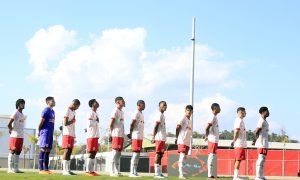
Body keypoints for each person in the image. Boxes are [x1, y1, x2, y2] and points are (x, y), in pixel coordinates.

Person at [61, 99, 80, 175]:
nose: (77, 108)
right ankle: (64, 170)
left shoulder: (74, 112)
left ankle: (68, 170)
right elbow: (65, 123)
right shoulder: (67, 110)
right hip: (66, 133)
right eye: (77, 106)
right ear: (74, 104)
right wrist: (72, 121)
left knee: (70, 151)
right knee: (66, 151)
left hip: (71, 133)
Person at [37, 96, 56, 174]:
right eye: (53, 100)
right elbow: (41, 122)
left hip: (50, 132)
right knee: (43, 149)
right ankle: (41, 169)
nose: (54, 102)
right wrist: (39, 131)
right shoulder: (46, 110)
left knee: (48, 150)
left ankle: (46, 169)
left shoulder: (53, 111)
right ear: (48, 102)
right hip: (45, 132)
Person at [7, 99, 26, 173]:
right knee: (13, 150)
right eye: (22, 103)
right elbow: (9, 124)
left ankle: (16, 168)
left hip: (21, 136)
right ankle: (9, 169)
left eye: (24, 103)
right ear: (18, 104)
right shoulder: (15, 112)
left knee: (18, 152)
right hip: (14, 136)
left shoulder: (22, 114)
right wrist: (11, 130)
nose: (23, 105)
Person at [175, 105, 193, 179]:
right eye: (188, 110)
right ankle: (180, 174)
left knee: (185, 157)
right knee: (182, 157)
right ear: (185, 110)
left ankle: (183, 173)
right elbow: (177, 127)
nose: (189, 111)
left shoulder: (190, 120)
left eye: (190, 110)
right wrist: (176, 137)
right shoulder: (183, 118)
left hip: (187, 141)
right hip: (182, 140)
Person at [109, 96, 125, 177]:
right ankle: (111, 171)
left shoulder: (122, 111)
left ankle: (116, 171)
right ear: (118, 102)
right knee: (114, 152)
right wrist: (110, 134)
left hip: (121, 135)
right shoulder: (115, 110)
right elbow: (111, 123)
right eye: (122, 101)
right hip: (115, 134)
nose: (124, 102)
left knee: (119, 154)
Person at [129, 100, 145, 177]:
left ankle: (135, 171)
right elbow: (132, 123)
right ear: (139, 105)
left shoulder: (141, 113)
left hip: (140, 136)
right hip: (135, 136)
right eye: (143, 104)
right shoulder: (136, 112)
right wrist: (131, 132)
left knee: (138, 155)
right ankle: (131, 172)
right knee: (135, 154)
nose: (144, 106)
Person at [151, 101, 167, 178]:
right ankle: (156, 174)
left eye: (166, 105)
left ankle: (159, 173)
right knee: (158, 154)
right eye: (163, 105)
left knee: (161, 155)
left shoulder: (162, 115)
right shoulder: (159, 114)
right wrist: (153, 136)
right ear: (159, 106)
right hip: (159, 137)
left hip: (162, 138)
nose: (165, 106)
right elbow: (156, 126)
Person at [253, 107, 270, 180]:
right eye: (267, 111)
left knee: (263, 159)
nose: (268, 112)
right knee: (260, 159)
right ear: (263, 112)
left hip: (265, 143)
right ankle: (257, 177)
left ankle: (261, 175)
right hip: (261, 143)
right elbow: (257, 130)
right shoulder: (261, 120)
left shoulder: (265, 121)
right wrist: (256, 139)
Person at [205, 103, 221, 179]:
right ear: (215, 108)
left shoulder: (214, 117)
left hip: (214, 139)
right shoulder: (212, 116)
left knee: (212, 156)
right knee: (211, 156)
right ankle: (209, 175)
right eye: (219, 107)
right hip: (212, 139)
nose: (220, 108)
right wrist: (206, 135)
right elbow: (207, 127)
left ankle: (211, 174)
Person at [85, 99, 100, 176]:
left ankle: (92, 170)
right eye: (95, 102)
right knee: (91, 152)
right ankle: (88, 171)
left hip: (95, 135)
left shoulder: (96, 113)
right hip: (91, 135)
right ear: (92, 104)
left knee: (94, 152)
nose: (97, 103)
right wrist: (96, 121)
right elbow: (89, 124)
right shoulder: (90, 113)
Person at [231, 107, 247, 180]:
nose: (245, 113)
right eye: (244, 112)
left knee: (238, 160)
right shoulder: (238, 120)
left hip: (241, 143)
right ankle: (235, 176)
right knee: (238, 160)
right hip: (239, 143)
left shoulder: (241, 121)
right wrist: (234, 141)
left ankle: (236, 175)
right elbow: (236, 131)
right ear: (241, 112)